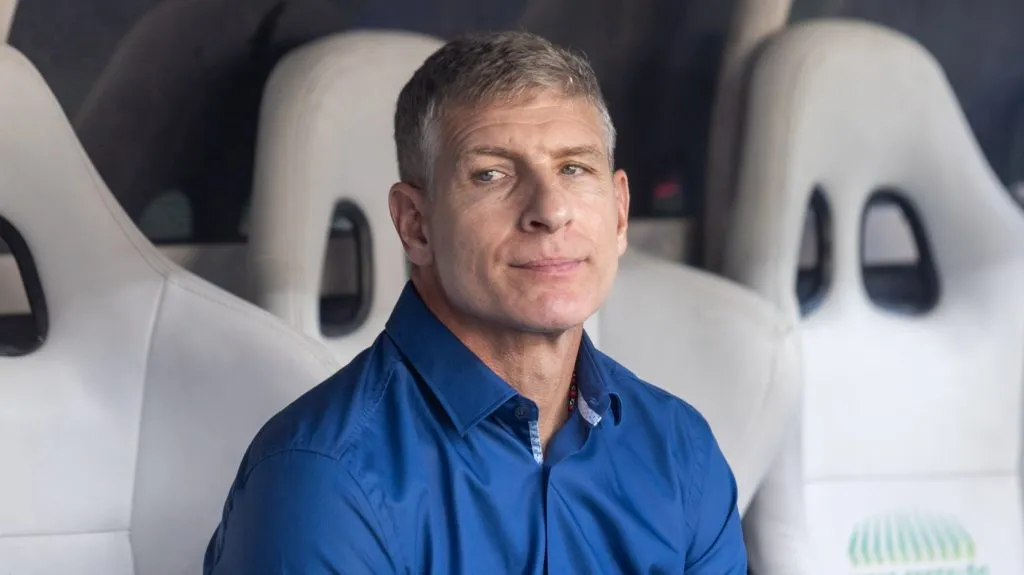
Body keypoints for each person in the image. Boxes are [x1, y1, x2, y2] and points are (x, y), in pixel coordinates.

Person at [203, 30, 747, 573]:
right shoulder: (322, 481)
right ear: (416, 226)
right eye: (492, 174)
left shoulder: (681, 450)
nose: (550, 210)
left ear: (620, 212)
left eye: (574, 168)